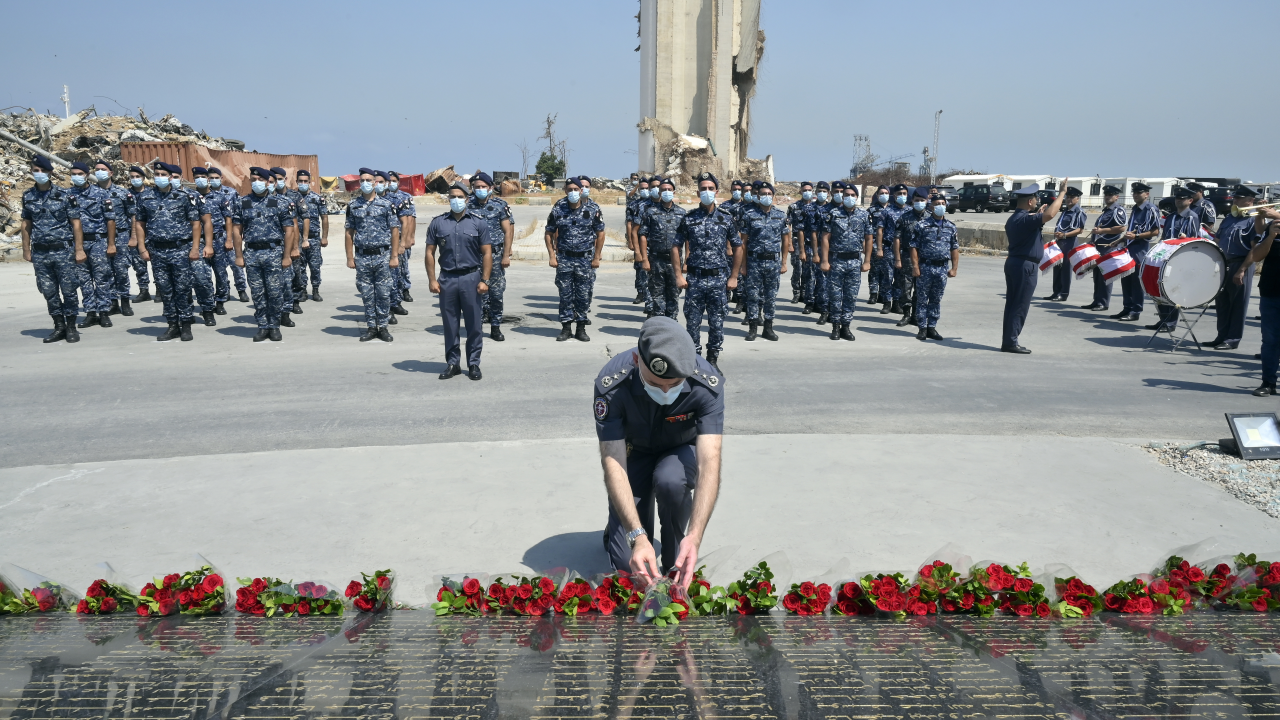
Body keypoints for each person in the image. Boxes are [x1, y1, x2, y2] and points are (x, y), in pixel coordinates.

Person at [595, 315, 724, 587]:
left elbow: (709, 462)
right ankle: (620, 524)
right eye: (654, 384)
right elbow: (613, 462)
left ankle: (675, 547)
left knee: (670, 481)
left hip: (680, 451)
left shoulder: (706, 383)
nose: (665, 391)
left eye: (674, 384)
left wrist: (695, 536)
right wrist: (637, 537)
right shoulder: (612, 384)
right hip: (633, 455)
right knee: (631, 571)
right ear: (636, 360)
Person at [674, 172, 742, 370]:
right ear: (697, 193)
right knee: (692, 323)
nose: (707, 192)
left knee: (717, 322)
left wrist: (734, 276)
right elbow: (675, 246)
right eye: (703, 189)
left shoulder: (726, 218)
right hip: (694, 279)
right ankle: (694, 361)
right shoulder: (689, 218)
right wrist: (678, 275)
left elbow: (738, 247)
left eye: (710, 188)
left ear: (717, 192)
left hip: (718, 279)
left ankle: (712, 360)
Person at [425, 183, 492, 380]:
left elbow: (487, 253)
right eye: (452, 196)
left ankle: (473, 363)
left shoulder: (478, 223)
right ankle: (453, 363)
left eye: (460, 197)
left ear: (467, 199)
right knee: (450, 324)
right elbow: (429, 252)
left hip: (471, 278)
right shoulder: (438, 223)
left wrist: (485, 280)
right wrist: (432, 279)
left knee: (474, 324)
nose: (456, 200)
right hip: (447, 278)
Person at [136, 161, 203, 342]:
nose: (160, 177)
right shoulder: (145, 197)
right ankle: (172, 325)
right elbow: (140, 224)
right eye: (157, 174)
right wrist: (142, 248)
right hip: (157, 251)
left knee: (182, 288)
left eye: (163, 175)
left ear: (171, 177)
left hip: (180, 249)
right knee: (165, 290)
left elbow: (196, 224)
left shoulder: (183, 196)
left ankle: (186, 324)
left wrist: (195, 248)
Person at [21, 155, 85, 343]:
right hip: (40, 253)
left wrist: (79, 249)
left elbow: (76, 224)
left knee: (69, 290)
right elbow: (26, 224)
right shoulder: (28, 196)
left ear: (50, 173)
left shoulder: (65, 195)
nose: (39, 173)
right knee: (49, 291)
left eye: (43, 170)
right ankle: (59, 326)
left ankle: (71, 327)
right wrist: (26, 249)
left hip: (63, 251)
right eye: (36, 171)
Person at [1002, 179, 1069, 353]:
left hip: (1015, 263)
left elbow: (1034, 224)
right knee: (1020, 305)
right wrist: (1062, 193)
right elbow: (1050, 214)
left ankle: (1008, 340)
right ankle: (1011, 342)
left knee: (1012, 303)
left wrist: (1038, 217)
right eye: (1035, 200)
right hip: (1025, 266)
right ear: (1030, 201)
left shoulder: (1015, 218)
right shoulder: (1026, 219)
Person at [232, 167, 296, 342]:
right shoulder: (242, 202)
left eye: (260, 179)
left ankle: (274, 326)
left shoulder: (280, 202)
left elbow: (289, 231)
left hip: (274, 252)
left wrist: (286, 256)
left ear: (268, 182)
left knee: (275, 292)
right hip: (252, 253)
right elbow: (236, 230)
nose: (256, 182)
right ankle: (262, 326)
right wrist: (239, 255)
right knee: (257, 292)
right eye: (253, 179)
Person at [344, 168, 401, 344]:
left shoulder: (386, 205)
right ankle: (371, 327)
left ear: (375, 183)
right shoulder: (353, 205)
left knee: (383, 293)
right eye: (362, 180)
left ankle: (382, 327)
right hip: (362, 257)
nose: (365, 183)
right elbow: (349, 232)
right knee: (367, 294)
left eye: (368, 180)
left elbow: (395, 231)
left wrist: (394, 256)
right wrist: (350, 257)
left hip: (382, 255)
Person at [545, 177, 605, 342]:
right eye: (570, 189)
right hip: (564, 258)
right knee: (565, 294)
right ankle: (566, 328)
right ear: (565, 191)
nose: (573, 192)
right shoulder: (558, 208)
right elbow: (549, 232)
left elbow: (600, 233)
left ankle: (581, 328)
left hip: (585, 259)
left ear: (581, 191)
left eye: (576, 189)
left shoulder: (592, 209)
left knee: (583, 295)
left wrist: (596, 256)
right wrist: (552, 255)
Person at [1214, 186, 1270, 350]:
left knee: (1238, 303)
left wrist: (1242, 269)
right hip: (1224, 263)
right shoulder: (1229, 218)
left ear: (1250, 200)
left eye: (1239, 198)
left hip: (1241, 263)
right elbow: (1218, 240)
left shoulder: (1253, 220)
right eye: (1235, 197)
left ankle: (1232, 339)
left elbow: (1255, 248)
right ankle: (1221, 336)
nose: (1235, 200)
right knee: (1222, 302)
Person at [66, 161, 116, 330]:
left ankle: (104, 312)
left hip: (97, 240)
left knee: (101, 277)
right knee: (84, 279)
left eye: (80, 174)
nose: (76, 177)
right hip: (77, 243)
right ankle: (90, 312)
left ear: (87, 175)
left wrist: (111, 244)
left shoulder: (101, 193)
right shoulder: (67, 195)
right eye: (73, 174)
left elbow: (110, 220)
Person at [820, 182, 872, 341]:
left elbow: (869, 238)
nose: (850, 198)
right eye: (847, 195)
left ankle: (846, 326)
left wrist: (867, 260)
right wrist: (824, 260)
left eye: (852, 195)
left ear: (857, 197)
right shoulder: (833, 214)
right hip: (837, 260)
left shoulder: (864, 215)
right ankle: (835, 326)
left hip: (855, 261)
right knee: (835, 295)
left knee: (851, 296)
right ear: (842, 197)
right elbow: (825, 238)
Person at [739, 182, 791, 341]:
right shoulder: (749, 214)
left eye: (769, 194)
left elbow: (785, 240)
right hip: (754, 261)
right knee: (753, 296)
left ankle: (768, 328)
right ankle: (752, 328)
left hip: (773, 262)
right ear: (758, 196)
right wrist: (743, 265)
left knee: (771, 297)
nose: (766, 196)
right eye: (763, 194)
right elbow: (743, 242)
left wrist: (784, 263)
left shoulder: (780, 215)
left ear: (773, 196)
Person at [1149, 186, 1202, 332]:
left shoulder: (1192, 217)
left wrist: (1184, 239)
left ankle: (1171, 323)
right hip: (1166, 257)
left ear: (1190, 201)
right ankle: (1163, 319)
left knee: (1173, 290)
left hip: (1180, 259)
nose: (1178, 200)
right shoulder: (1171, 217)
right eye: (1177, 198)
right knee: (1161, 289)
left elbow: (1194, 239)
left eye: (1182, 198)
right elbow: (1165, 236)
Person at [468, 172, 513, 341]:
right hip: (473, 256)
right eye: (477, 187)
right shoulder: (467, 205)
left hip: (495, 256)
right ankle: (477, 327)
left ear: (490, 187)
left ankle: (495, 327)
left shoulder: (500, 205)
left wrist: (506, 255)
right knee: (475, 293)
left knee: (496, 293)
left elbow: (507, 231)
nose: (480, 189)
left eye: (483, 187)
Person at [909, 192, 961, 340]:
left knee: (936, 299)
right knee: (922, 298)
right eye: (937, 204)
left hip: (942, 267)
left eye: (943, 204)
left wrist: (954, 268)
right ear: (931, 207)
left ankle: (932, 326)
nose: (940, 206)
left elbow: (954, 248)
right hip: (925, 266)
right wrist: (915, 266)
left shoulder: (951, 227)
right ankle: (922, 327)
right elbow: (913, 247)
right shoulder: (922, 225)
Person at [1108, 182, 1161, 322]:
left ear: (1147, 194)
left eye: (1139, 192)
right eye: (1134, 192)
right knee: (1126, 279)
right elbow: (1131, 230)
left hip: (1140, 248)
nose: (1136, 195)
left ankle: (1135, 311)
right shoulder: (1135, 208)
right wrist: (1120, 240)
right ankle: (1127, 307)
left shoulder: (1150, 209)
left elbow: (1155, 231)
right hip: (1129, 248)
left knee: (1136, 281)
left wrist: (1137, 236)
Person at [91, 160, 135, 317]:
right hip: (101, 237)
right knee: (105, 271)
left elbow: (133, 216)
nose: (99, 172)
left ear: (111, 173)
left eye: (103, 169)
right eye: (97, 169)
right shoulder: (91, 193)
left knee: (121, 270)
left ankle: (125, 301)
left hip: (121, 235)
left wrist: (133, 236)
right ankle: (112, 302)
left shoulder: (122, 193)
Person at [639, 177, 686, 320]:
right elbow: (643, 235)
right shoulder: (650, 212)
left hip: (675, 261)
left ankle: (672, 324)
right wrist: (644, 259)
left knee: (674, 294)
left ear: (674, 192)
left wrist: (687, 261)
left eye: (669, 190)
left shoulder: (682, 213)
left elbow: (688, 239)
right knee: (657, 295)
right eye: (664, 190)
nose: (666, 192)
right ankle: (659, 324)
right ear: (659, 193)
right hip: (656, 260)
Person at [1246, 215, 1280, 395]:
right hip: (1271, 292)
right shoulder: (1273, 226)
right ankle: (1268, 383)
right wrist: (1271, 236)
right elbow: (1256, 255)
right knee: (1270, 341)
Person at [208, 166, 250, 304]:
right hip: (214, 234)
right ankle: (224, 291)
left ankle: (241, 289)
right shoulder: (204, 194)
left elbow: (239, 211)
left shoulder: (231, 192)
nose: (214, 180)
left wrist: (235, 235)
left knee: (235, 263)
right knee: (219, 267)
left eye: (216, 178)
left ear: (221, 178)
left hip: (229, 232)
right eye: (211, 178)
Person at [1082, 185, 1127, 311]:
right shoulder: (1106, 211)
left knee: (1105, 276)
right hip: (1098, 248)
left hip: (1108, 247)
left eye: (1110, 195)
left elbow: (1122, 228)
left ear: (1117, 197)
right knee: (1097, 276)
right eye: (1106, 195)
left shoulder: (1118, 210)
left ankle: (1103, 303)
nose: (1107, 197)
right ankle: (1097, 301)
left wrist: (1101, 230)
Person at [892, 187, 931, 327]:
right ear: (912, 200)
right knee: (906, 287)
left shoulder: (930, 217)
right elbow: (897, 239)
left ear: (926, 201)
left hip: (924, 259)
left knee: (921, 288)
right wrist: (897, 258)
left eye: (922, 200)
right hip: (907, 257)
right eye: (917, 200)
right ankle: (906, 314)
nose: (919, 202)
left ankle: (916, 315)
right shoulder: (904, 218)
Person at [1046, 187, 1086, 302]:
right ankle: (1056, 292)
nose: (1069, 199)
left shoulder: (1079, 212)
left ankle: (1063, 293)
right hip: (1060, 242)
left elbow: (1080, 229)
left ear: (1077, 199)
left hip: (1069, 242)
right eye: (1067, 197)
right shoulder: (1065, 211)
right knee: (1057, 267)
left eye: (1072, 197)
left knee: (1066, 269)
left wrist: (1064, 235)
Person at [386, 171, 417, 312]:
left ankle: (405, 289)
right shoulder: (382, 197)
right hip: (387, 239)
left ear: (398, 182)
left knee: (403, 267)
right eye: (389, 181)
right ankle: (393, 296)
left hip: (400, 237)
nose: (391, 183)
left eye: (394, 180)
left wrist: (410, 237)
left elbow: (411, 219)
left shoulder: (405, 197)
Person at [296, 170, 328, 303]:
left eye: (305, 181)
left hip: (314, 237)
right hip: (297, 238)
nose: (303, 183)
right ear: (296, 182)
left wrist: (324, 237)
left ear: (309, 182)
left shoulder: (317, 198)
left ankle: (315, 290)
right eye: (300, 181)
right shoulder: (293, 198)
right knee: (300, 266)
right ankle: (303, 290)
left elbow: (324, 218)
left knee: (315, 266)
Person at [124, 166, 153, 304]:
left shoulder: (151, 193)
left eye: (138, 176)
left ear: (143, 178)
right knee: (139, 263)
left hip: (152, 233)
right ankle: (144, 290)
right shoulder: (126, 194)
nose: (135, 179)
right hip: (134, 233)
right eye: (132, 177)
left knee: (157, 263)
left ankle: (160, 289)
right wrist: (133, 236)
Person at [878, 184, 909, 315]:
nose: (902, 196)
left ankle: (897, 302)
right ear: (894, 195)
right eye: (899, 194)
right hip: (889, 248)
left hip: (904, 250)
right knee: (887, 276)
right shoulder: (887, 211)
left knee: (900, 277)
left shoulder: (910, 211)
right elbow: (880, 230)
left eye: (904, 193)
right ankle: (886, 302)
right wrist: (879, 248)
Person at [626, 177, 654, 306]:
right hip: (639, 241)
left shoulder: (654, 204)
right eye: (642, 188)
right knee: (640, 269)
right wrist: (631, 242)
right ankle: (641, 292)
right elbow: (630, 224)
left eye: (646, 188)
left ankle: (649, 296)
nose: (644, 190)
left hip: (652, 243)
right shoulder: (634, 205)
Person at [788, 181, 815, 304]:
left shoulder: (815, 207)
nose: (807, 192)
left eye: (809, 190)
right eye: (804, 190)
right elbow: (788, 226)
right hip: (796, 241)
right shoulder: (794, 207)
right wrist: (789, 244)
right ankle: (796, 292)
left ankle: (804, 292)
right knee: (797, 268)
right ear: (800, 191)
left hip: (810, 242)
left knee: (808, 269)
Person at [866, 185, 891, 306]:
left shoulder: (893, 209)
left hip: (889, 244)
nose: (884, 195)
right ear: (877, 195)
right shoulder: (871, 210)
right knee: (874, 270)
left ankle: (883, 294)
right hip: (875, 243)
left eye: (886, 193)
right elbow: (867, 230)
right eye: (881, 193)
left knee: (887, 271)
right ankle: (873, 293)